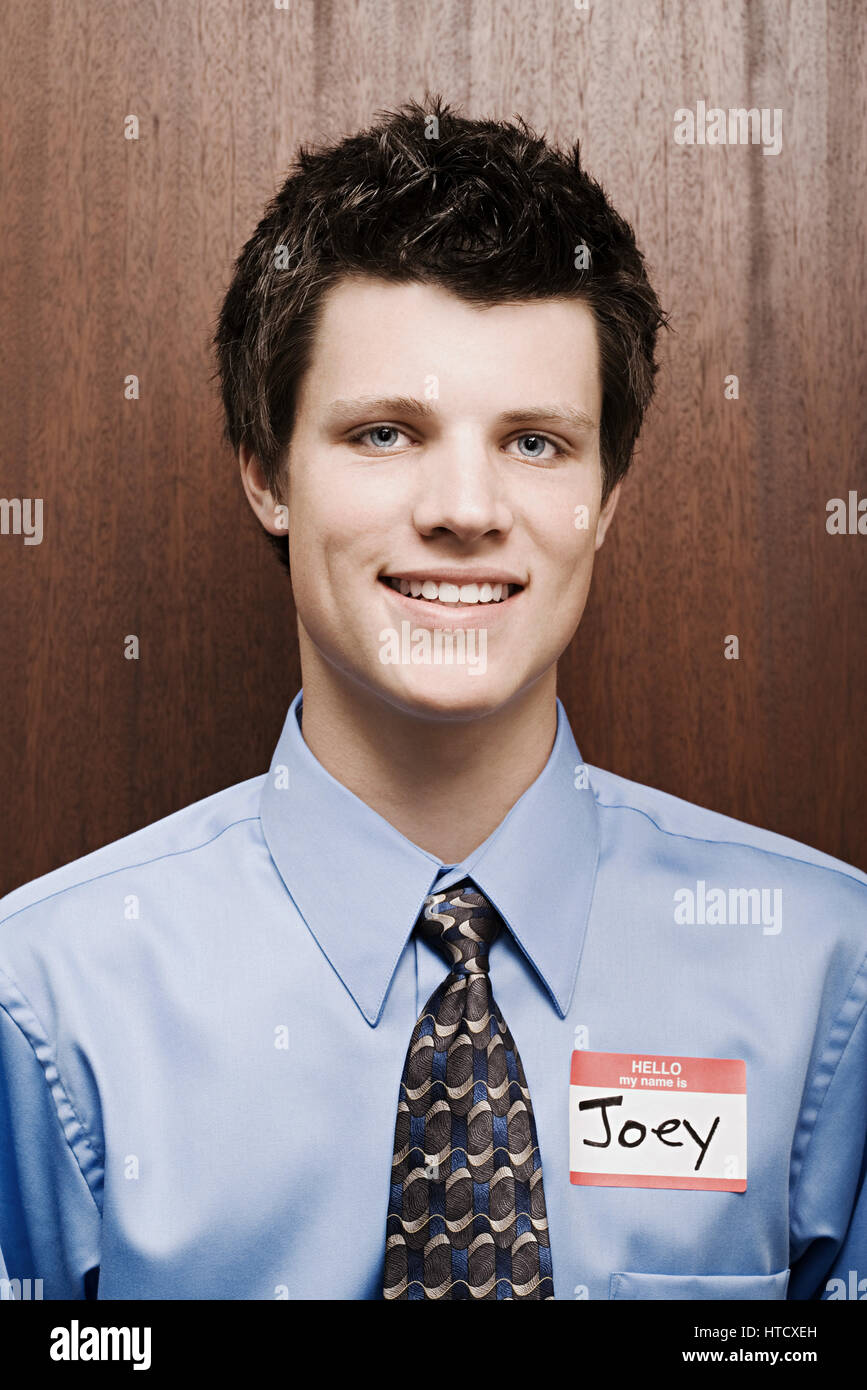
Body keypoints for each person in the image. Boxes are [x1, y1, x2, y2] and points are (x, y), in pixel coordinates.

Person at [1, 97, 864, 1302]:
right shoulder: (42, 1008)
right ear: (265, 472)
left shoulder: (833, 977)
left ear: (606, 497)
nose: (465, 508)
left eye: (535, 444)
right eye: (387, 432)